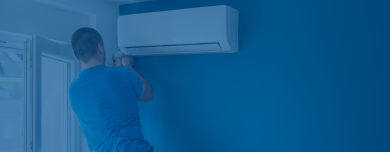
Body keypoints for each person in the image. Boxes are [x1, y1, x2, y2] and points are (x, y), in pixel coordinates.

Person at [69, 27, 154, 152]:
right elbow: (149, 94)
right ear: (100, 47)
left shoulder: (73, 90)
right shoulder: (123, 73)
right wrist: (127, 65)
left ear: (76, 57)